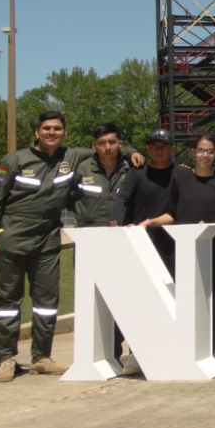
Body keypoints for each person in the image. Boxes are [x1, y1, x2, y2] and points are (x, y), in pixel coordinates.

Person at [0, 111, 144, 382]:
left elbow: (108, 146)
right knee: (8, 301)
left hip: (48, 238)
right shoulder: (15, 160)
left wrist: (132, 151)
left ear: (64, 133)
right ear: (36, 132)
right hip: (14, 236)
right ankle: (7, 357)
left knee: (46, 302)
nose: (52, 133)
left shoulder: (72, 157)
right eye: (46, 128)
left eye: (57, 129)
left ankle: (41, 358)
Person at [141, 135, 215, 363]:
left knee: (214, 299)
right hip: (184, 252)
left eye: (210, 151)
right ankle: (184, 346)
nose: (205, 155)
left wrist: (213, 228)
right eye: (201, 150)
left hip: (214, 250)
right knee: (183, 298)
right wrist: (150, 222)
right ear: (194, 152)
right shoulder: (181, 178)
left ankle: (213, 348)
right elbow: (172, 213)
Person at [72, 122, 135, 362]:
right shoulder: (81, 169)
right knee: (94, 300)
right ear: (94, 146)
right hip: (90, 242)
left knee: (125, 298)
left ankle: (132, 350)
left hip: (123, 244)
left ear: (120, 144)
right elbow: (65, 195)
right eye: (101, 143)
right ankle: (105, 353)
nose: (107, 147)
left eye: (112, 142)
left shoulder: (133, 167)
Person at [111, 129, 180, 274]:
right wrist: (116, 219)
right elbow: (122, 196)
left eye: (163, 146)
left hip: (172, 242)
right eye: (154, 146)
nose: (158, 150)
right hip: (142, 238)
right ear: (147, 149)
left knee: (172, 288)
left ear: (172, 148)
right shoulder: (136, 172)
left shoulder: (181, 173)